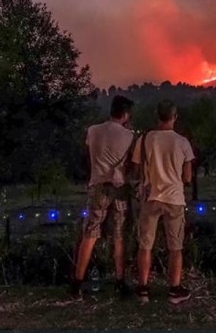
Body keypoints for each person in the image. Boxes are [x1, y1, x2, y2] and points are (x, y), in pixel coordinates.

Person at [69, 95, 136, 300]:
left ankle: (77, 283)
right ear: (125, 114)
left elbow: (88, 155)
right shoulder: (130, 135)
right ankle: (119, 281)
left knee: (90, 233)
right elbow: (131, 166)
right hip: (119, 189)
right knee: (118, 235)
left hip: (97, 185)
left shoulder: (93, 130)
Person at [131, 99, 195, 304]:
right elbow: (187, 178)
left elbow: (136, 168)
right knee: (175, 247)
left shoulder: (144, 139)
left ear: (157, 116)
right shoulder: (183, 142)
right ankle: (174, 290)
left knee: (145, 245)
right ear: (175, 117)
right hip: (174, 198)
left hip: (151, 197)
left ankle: (143, 290)